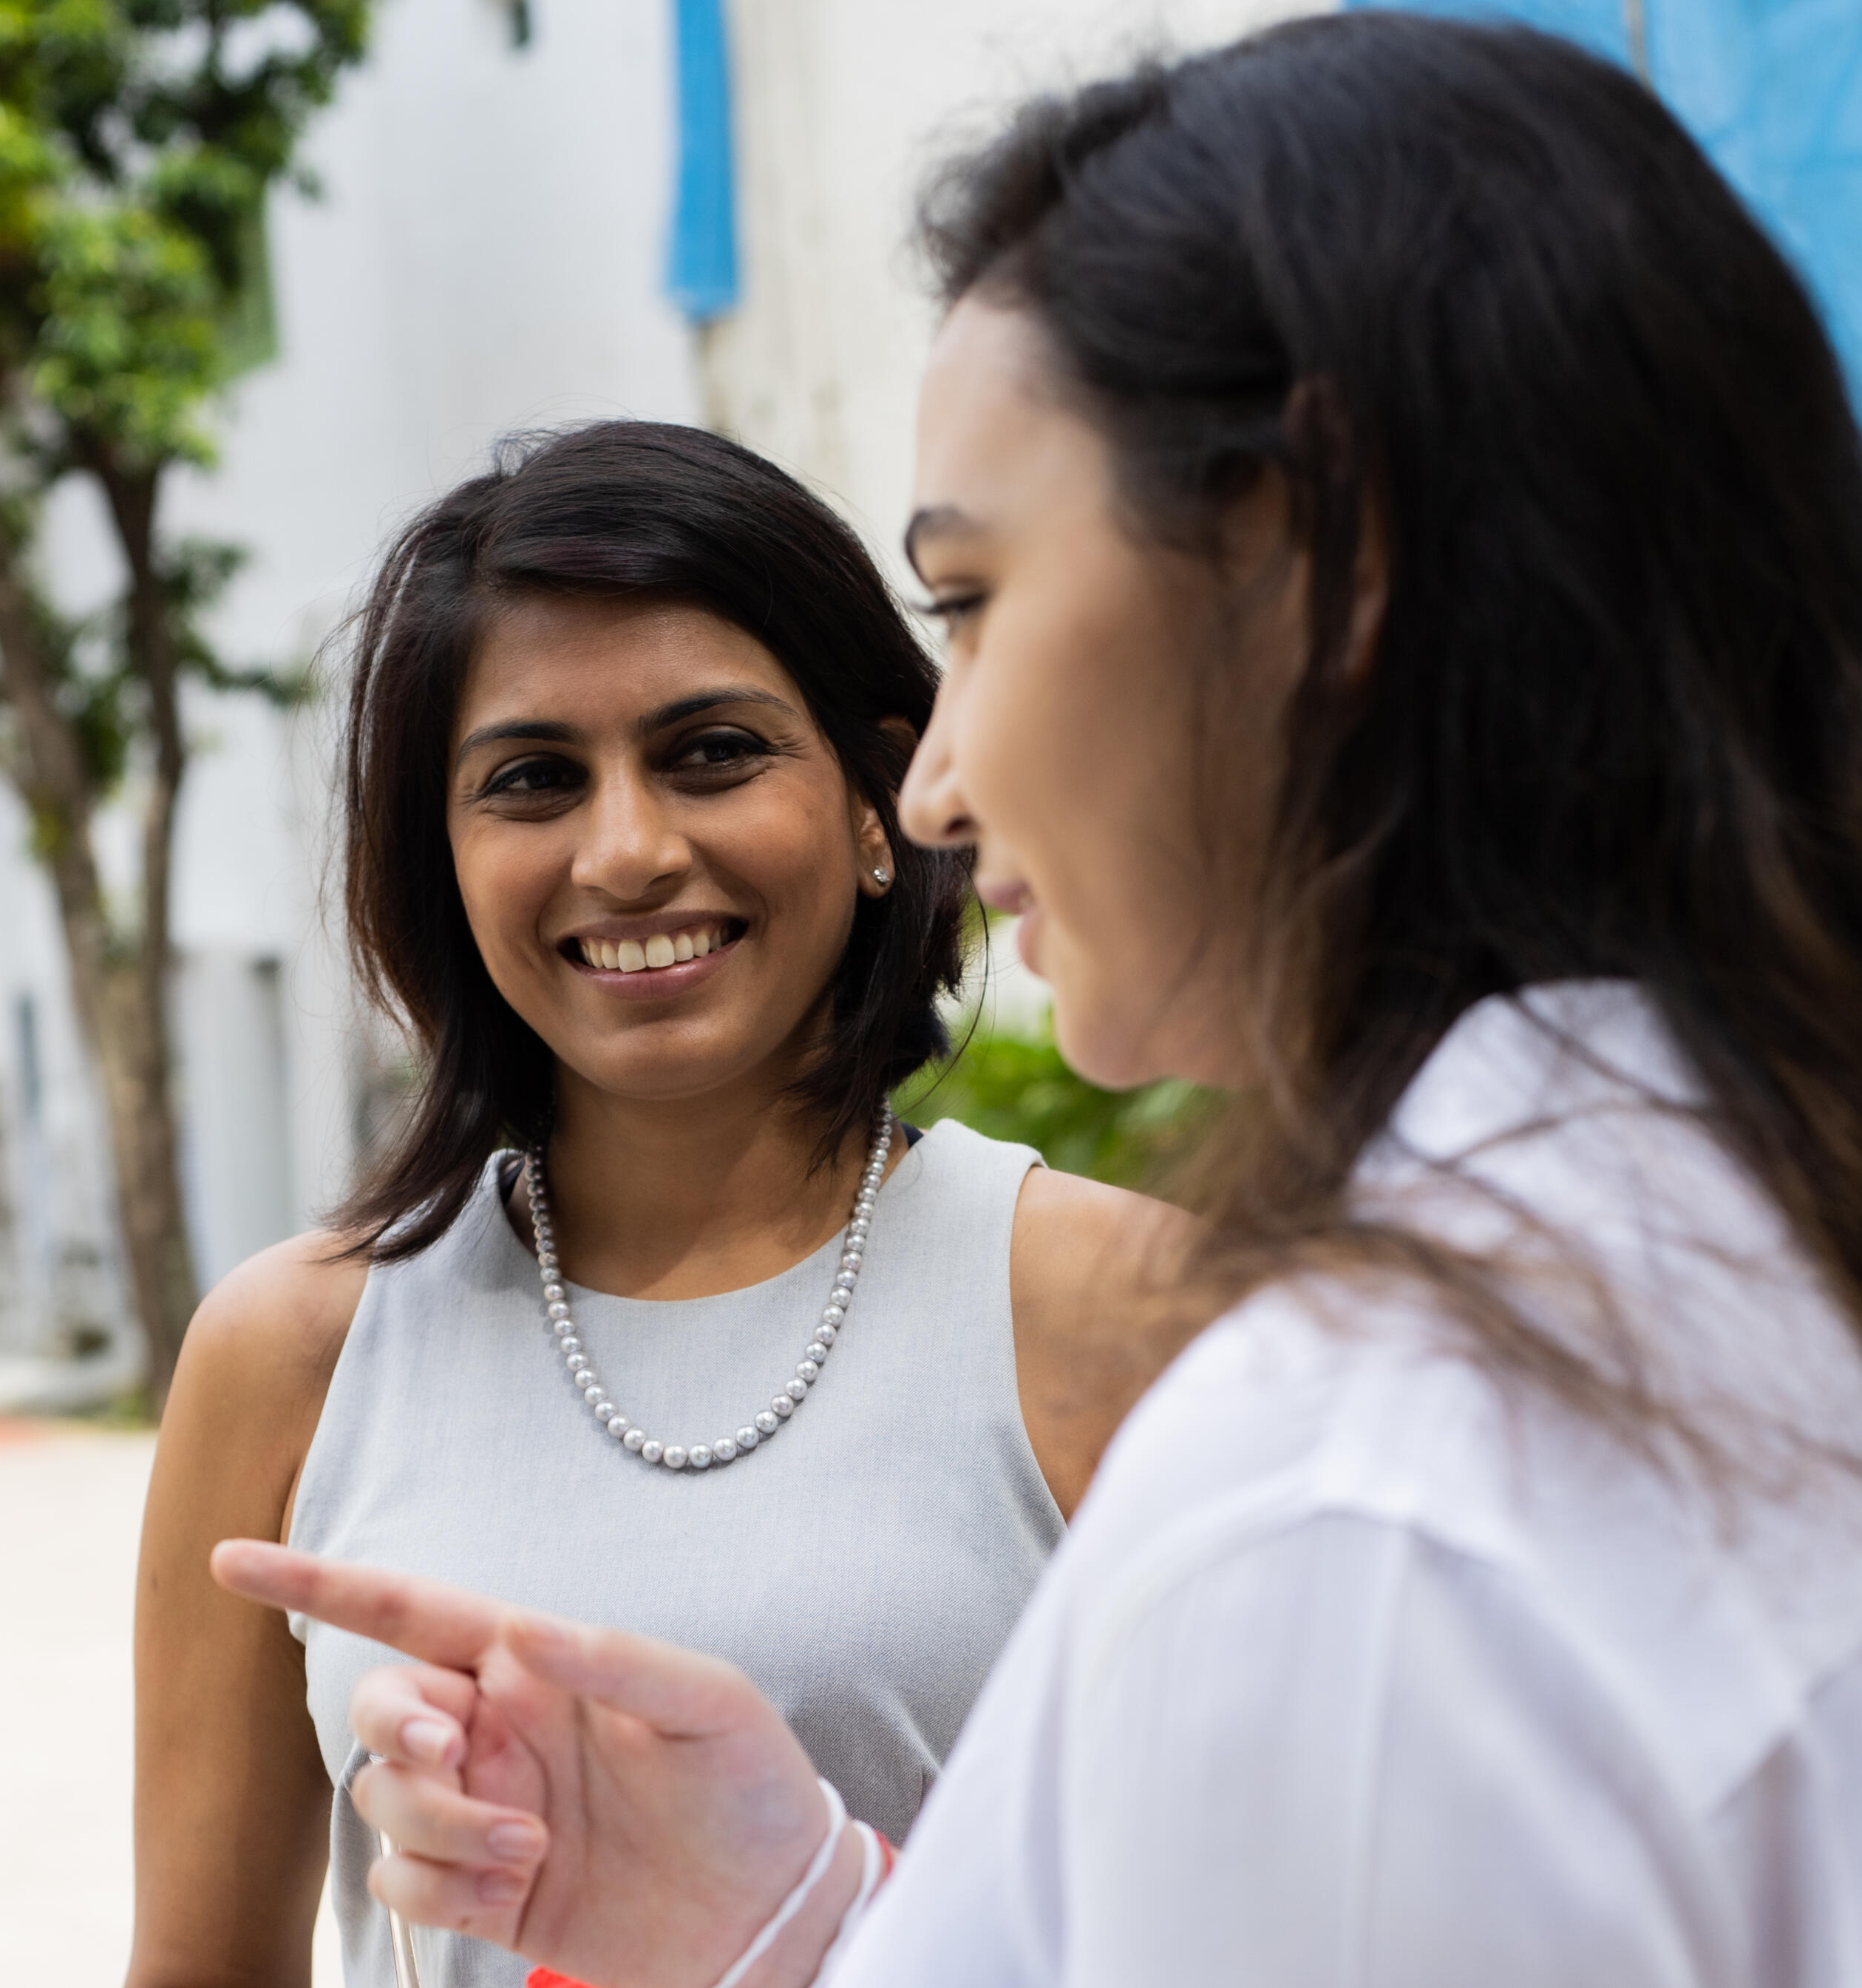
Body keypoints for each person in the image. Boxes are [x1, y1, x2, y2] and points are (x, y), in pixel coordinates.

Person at [216, 17, 1862, 1984]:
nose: (941, 782)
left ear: (1313, 566)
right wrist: (796, 1918)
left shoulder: (1365, 1496)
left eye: (973, 602)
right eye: (531, 778)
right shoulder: (1739, 1252)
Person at [131, 421, 1179, 1987]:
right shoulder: (289, 1355)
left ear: (881, 800)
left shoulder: (1126, 1307)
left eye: (713, 752)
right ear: (443, 860)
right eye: (532, 780)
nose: (627, 852)